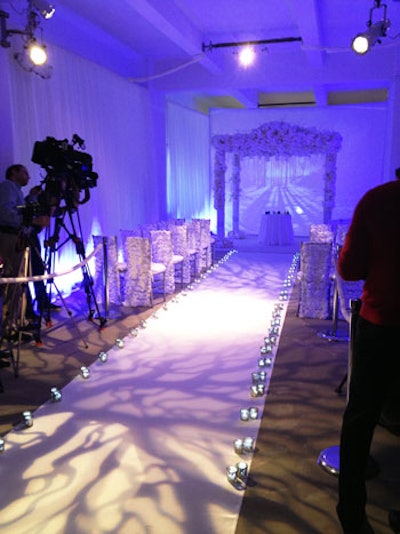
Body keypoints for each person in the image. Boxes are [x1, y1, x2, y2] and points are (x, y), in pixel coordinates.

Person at [336, 169, 400, 533]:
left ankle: (352, 514)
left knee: (360, 418)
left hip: (383, 324)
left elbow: (350, 268)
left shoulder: (378, 200)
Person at [0, 164, 49, 338]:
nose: (28, 176)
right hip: (9, 238)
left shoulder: (18, 191)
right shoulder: (7, 186)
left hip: (16, 238)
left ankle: (13, 324)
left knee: (17, 283)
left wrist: (32, 198)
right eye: (25, 172)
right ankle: (7, 328)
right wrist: (35, 220)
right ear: (13, 172)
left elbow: (17, 211)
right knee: (10, 282)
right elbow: (5, 214)